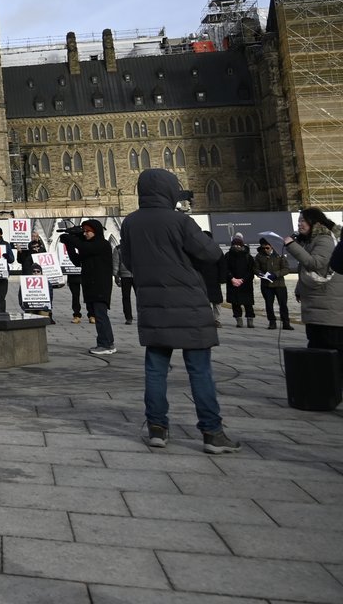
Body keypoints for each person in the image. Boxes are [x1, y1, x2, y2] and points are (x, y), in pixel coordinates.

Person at [120, 169, 239, 454]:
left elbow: (129, 261)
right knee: (200, 372)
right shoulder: (180, 221)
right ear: (170, 190)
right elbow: (211, 254)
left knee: (155, 371)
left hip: (153, 307)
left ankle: (157, 428)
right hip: (189, 308)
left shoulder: (131, 222)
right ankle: (212, 432)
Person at [284, 208, 341, 353]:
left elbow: (315, 263)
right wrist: (299, 289)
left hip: (328, 309)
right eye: (298, 221)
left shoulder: (325, 239)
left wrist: (292, 246)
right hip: (317, 306)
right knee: (317, 350)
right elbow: (308, 270)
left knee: (329, 350)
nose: (299, 224)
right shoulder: (311, 241)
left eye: (303, 220)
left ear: (314, 222)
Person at [70, 219, 116, 355]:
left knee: (100, 315)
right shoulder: (89, 245)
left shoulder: (102, 244)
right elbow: (77, 261)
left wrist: (73, 239)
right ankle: (108, 342)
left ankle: (105, 344)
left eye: (87, 231)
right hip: (91, 286)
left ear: (95, 231)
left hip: (100, 286)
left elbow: (85, 248)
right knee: (99, 315)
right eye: (84, 231)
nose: (85, 234)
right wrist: (69, 245)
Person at [254, 234, 292, 331]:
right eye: (263, 248)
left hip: (279, 284)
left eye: (267, 247)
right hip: (266, 285)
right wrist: (261, 274)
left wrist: (275, 274)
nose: (265, 250)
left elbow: (286, 269)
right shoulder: (259, 256)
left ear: (271, 246)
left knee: (283, 304)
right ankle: (272, 322)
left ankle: (286, 323)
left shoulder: (280, 254)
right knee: (269, 304)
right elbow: (255, 268)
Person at [223, 235, 256, 328]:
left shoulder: (248, 256)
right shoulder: (228, 255)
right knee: (235, 303)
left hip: (246, 284)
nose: (237, 247)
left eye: (239, 245)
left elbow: (251, 270)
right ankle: (239, 320)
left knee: (248, 303)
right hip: (232, 283)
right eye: (235, 245)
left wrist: (243, 280)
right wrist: (232, 278)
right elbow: (225, 268)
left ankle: (250, 321)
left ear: (242, 246)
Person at [116, 244, 135, 325]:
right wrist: (116, 275)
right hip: (125, 275)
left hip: (137, 274)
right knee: (126, 297)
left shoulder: (140, 246)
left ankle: (142, 315)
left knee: (141, 297)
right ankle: (128, 317)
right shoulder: (119, 248)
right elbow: (116, 262)